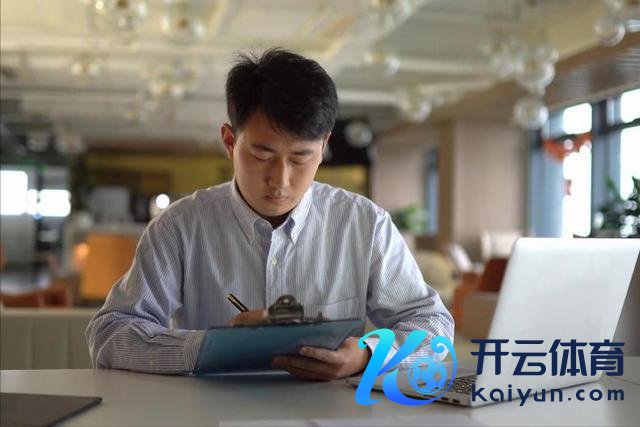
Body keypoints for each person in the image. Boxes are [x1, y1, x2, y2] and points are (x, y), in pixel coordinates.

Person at [85, 48, 454, 380]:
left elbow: (432, 325)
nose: (281, 180)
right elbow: (110, 334)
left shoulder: (364, 225)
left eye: (301, 158)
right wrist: (212, 347)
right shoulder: (179, 227)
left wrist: (366, 356)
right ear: (230, 141)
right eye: (262, 155)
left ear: (324, 146)